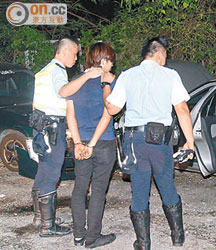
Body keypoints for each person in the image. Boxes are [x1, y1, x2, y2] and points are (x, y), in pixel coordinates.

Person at [103, 37, 194, 249]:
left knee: (140, 190)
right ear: (160, 54)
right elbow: (182, 109)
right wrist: (189, 141)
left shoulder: (127, 76)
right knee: (167, 186)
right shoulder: (170, 75)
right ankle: (177, 237)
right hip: (160, 142)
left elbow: (112, 109)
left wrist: (106, 86)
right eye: (165, 56)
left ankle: (143, 243)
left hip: (136, 142)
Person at [30, 37, 103, 237]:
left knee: (44, 170)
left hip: (42, 127)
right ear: (63, 52)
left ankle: (41, 218)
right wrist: (87, 76)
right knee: (52, 172)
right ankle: (48, 227)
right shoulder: (57, 71)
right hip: (52, 128)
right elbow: (64, 91)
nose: (76, 57)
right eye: (74, 53)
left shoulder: (45, 70)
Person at [66, 42, 117, 248]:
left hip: (81, 144)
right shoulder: (109, 83)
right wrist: (92, 144)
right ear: (103, 61)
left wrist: (79, 143)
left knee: (79, 189)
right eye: (111, 60)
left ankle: (78, 236)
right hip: (102, 144)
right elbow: (108, 114)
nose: (113, 65)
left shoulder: (76, 81)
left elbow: (71, 114)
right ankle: (93, 238)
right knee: (97, 191)